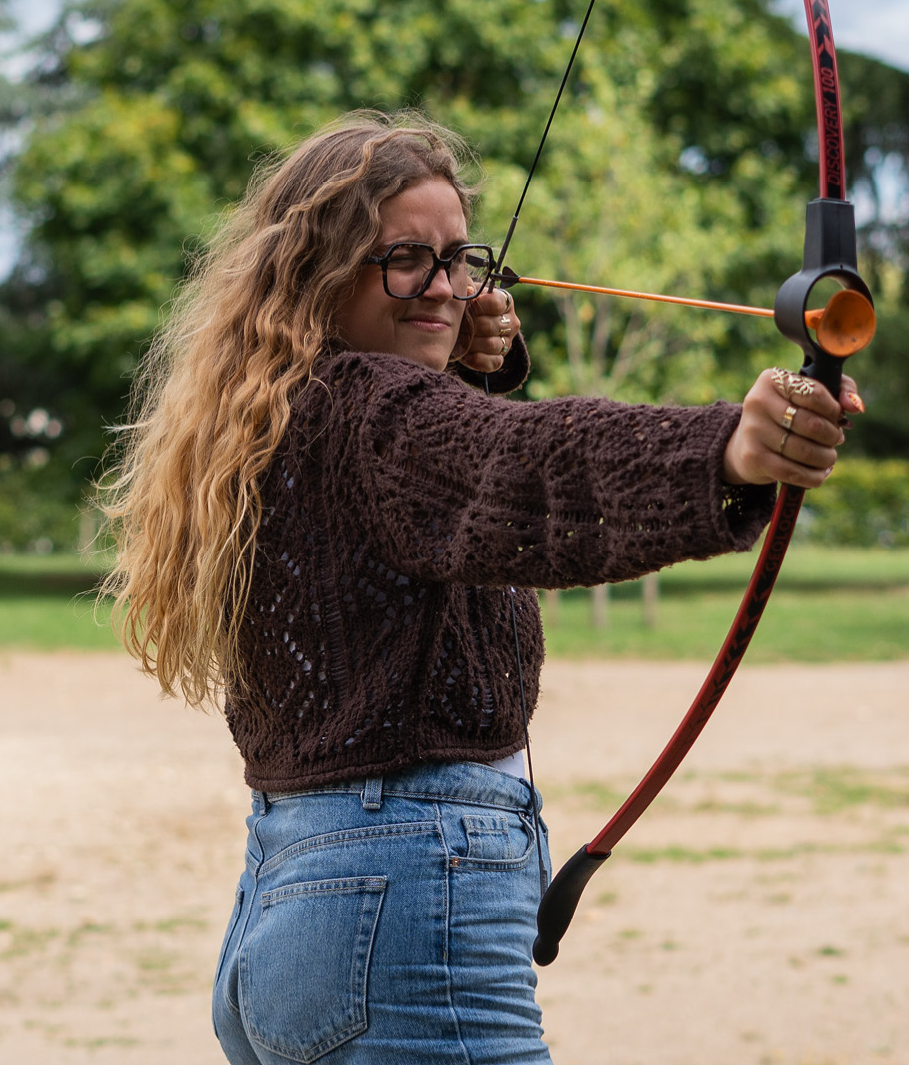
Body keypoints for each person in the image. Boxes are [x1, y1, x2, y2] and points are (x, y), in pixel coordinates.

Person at [100, 111, 861, 1065]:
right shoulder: (376, 417)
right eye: (404, 259)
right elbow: (522, 466)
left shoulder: (282, 412)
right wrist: (727, 451)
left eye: (460, 259)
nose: (445, 286)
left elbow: (445, 496)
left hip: (296, 907)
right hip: (402, 908)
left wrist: (454, 353)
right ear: (318, 273)